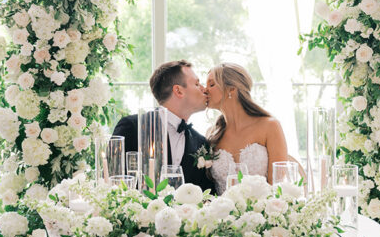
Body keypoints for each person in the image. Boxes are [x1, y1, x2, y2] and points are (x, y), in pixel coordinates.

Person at [112, 60, 212, 190]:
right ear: (178, 91)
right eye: (197, 84)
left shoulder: (201, 143)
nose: (204, 89)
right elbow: (113, 182)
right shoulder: (132, 127)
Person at [205, 63, 289, 193]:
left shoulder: (270, 126)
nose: (205, 90)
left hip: (264, 211)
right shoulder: (212, 134)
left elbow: (277, 186)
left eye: (211, 85)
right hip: (220, 211)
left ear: (231, 89)